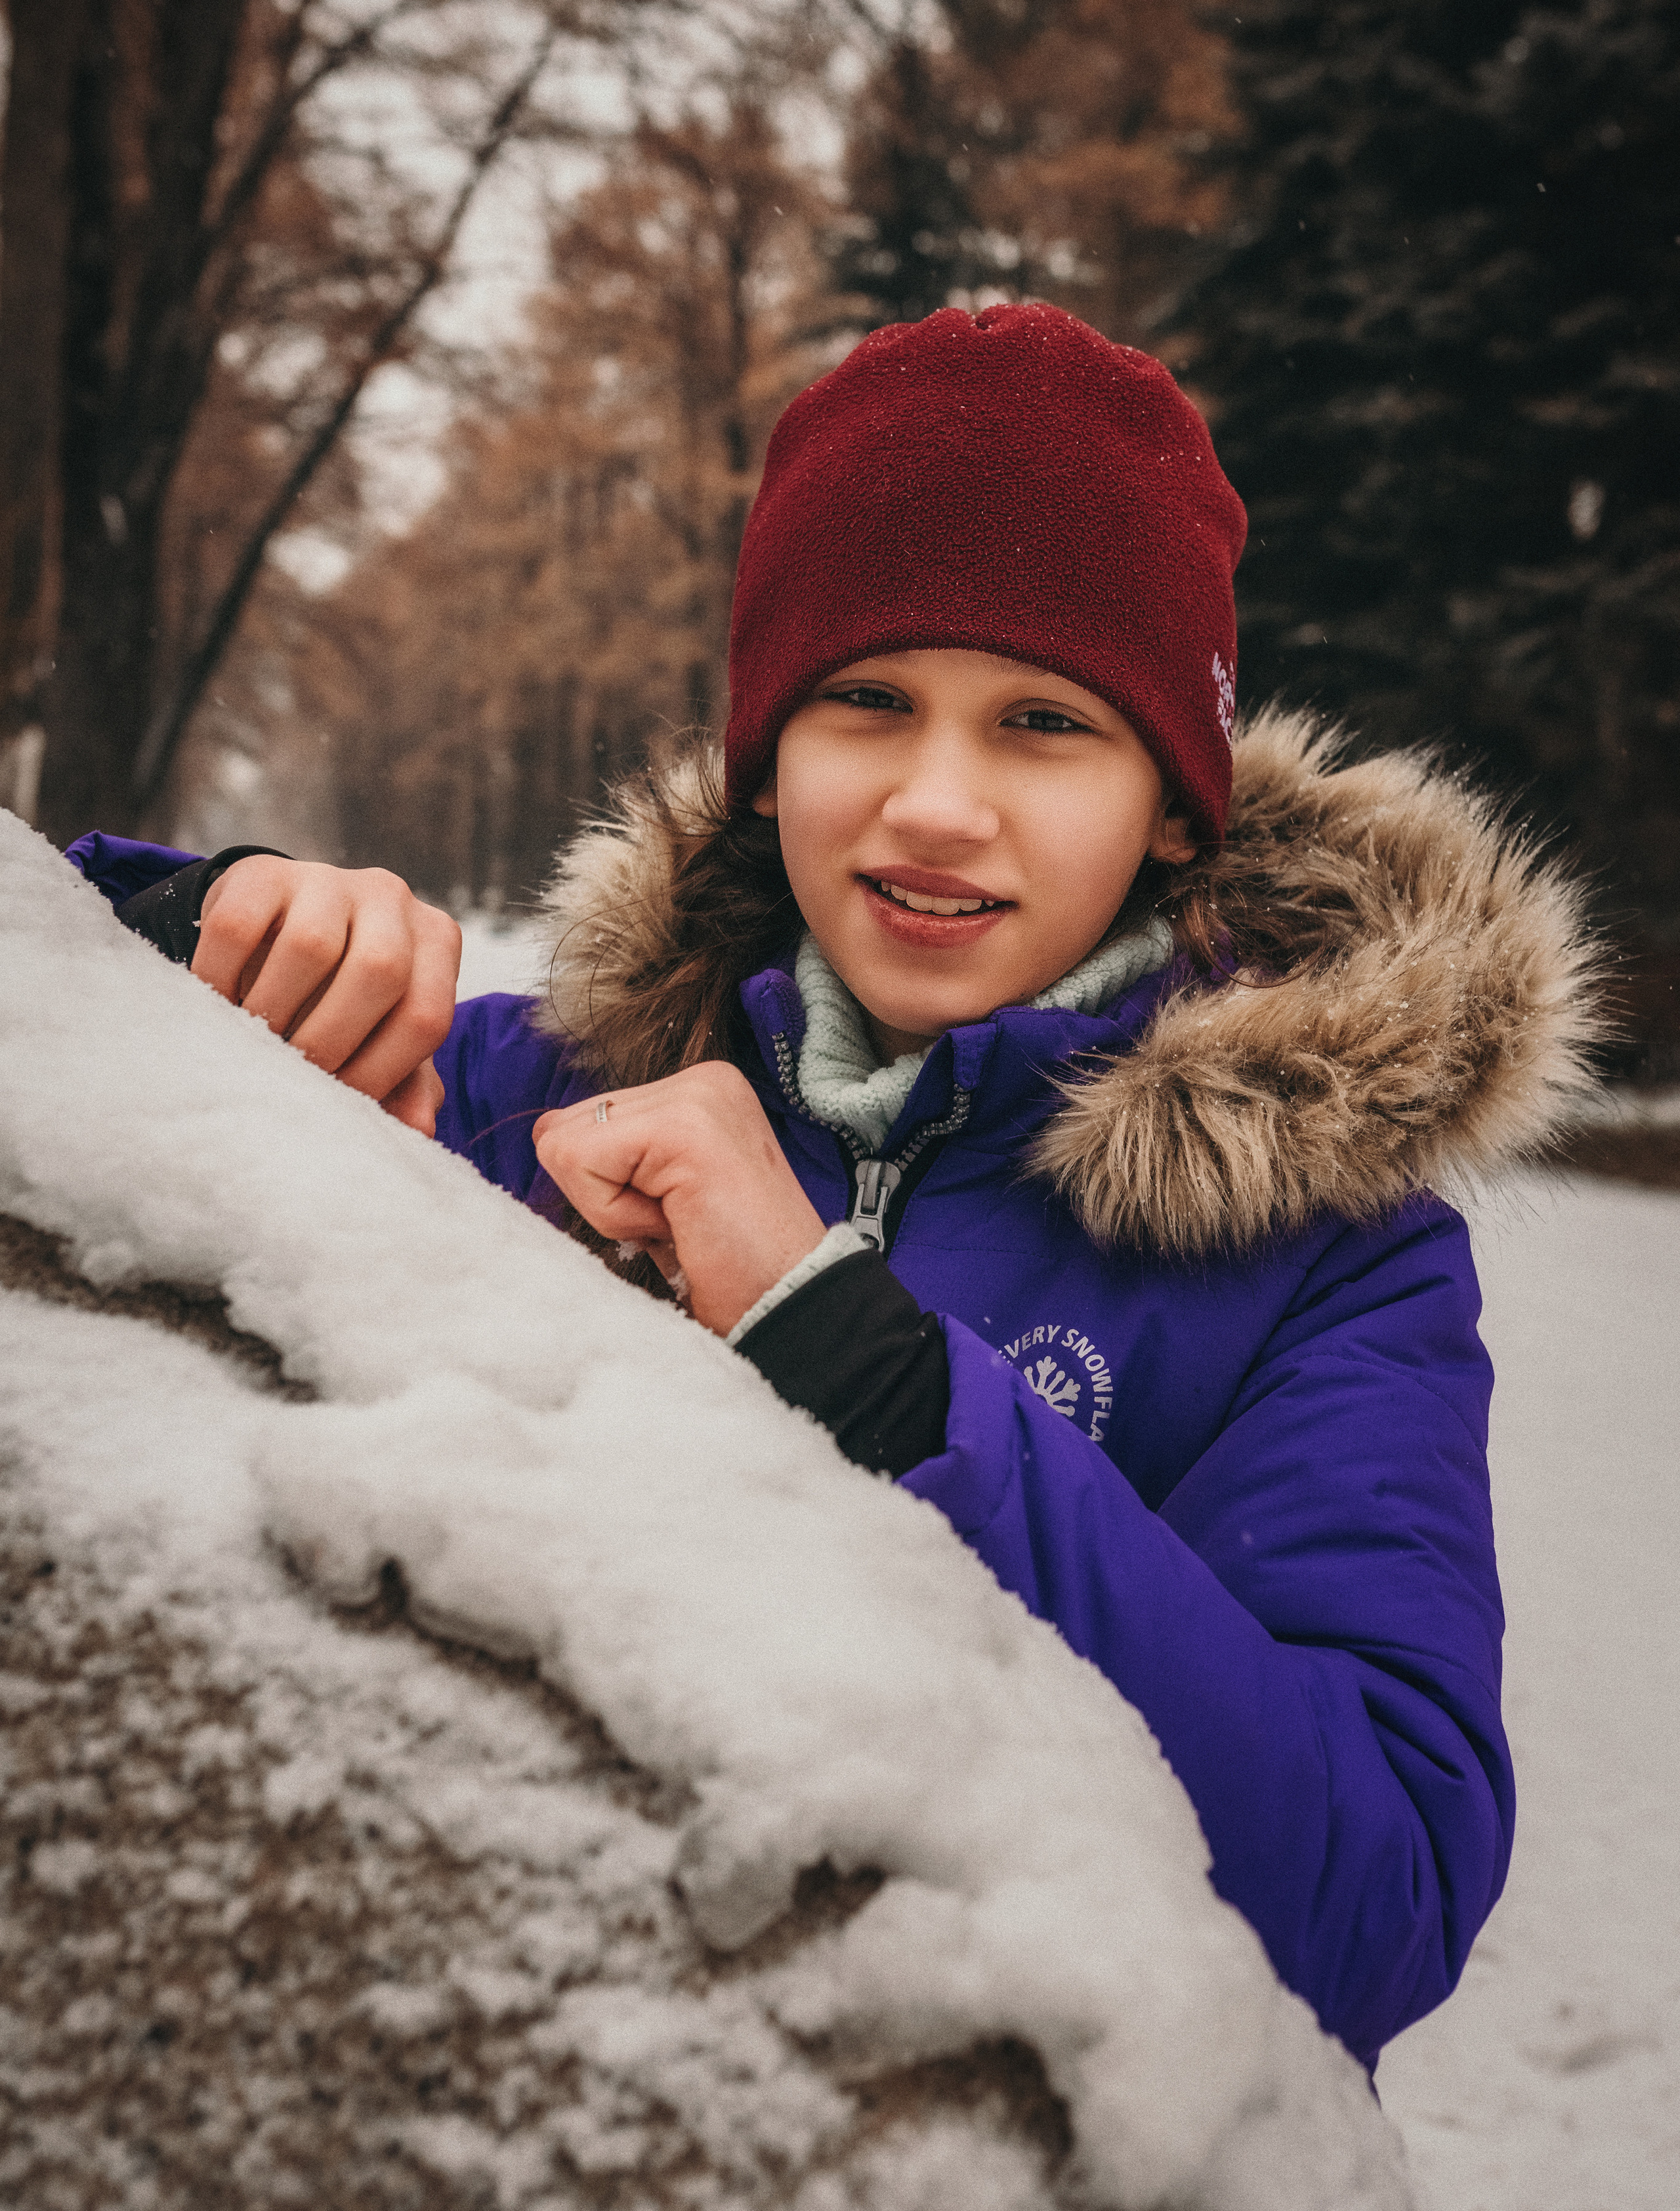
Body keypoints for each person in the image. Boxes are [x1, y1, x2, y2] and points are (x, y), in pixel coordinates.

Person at [72, 304, 1599, 2076]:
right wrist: (211, 935)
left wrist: (867, 1369)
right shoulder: (532, 1087)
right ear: (767, 750)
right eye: (864, 702)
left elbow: (1373, 1908)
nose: (936, 805)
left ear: (1177, 808)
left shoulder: (1328, 1253)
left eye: (1044, 723)